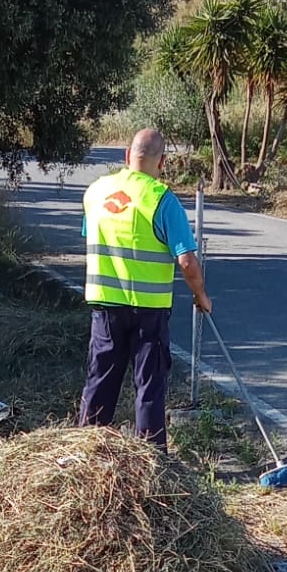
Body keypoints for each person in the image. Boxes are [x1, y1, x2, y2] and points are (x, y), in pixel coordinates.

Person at [79, 128, 212, 450]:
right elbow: (187, 262)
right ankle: (153, 458)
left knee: (100, 380)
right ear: (162, 161)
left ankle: (85, 452)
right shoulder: (162, 200)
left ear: (126, 156)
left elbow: (94, 238)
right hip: (149, 311)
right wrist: (201, 295)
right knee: (149, 387)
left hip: (106, 307)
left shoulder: (95, 192)